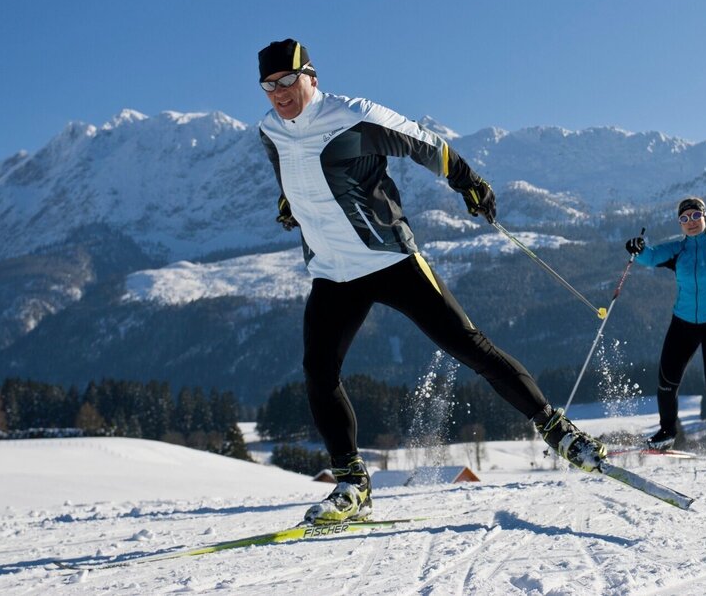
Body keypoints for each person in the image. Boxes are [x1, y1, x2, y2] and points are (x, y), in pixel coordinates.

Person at [255, 38, 606, 524]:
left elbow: (425, 143)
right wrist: (289, 202)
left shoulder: (354, 115)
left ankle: (558, 431)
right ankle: (353, 484)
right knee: (319, 372)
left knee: (469, 345)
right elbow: (289, 171)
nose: (280, 93)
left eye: (289, 81)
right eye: (270, 86)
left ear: (312, 77)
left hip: (389, 258)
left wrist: (468, 180)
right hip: (332, 273)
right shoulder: (269, 131)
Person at [623, 197, 706, 466]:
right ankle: (667, 432)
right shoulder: (678, 250)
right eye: (684, 218)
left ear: (704, 217)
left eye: (694, 216)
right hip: (684, 323)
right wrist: (637, 248)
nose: (690, 222)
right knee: (667, 381)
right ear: (679, 223)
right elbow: (651, 256)